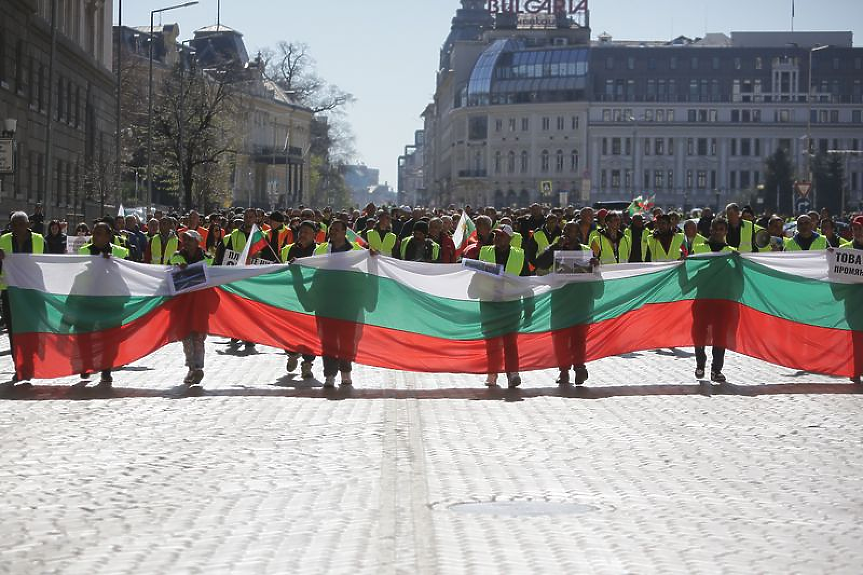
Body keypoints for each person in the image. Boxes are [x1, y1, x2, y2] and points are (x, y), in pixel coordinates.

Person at [534, 221, 596, 386]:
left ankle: (579, 368)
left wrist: (595, 265)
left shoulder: (585, 250)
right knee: (560, 338)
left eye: (571, 231)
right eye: (565, 230)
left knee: (579, 338)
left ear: (578, 234)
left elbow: (594, 271)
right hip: (560, 300)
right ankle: (563, 371)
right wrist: (554, 247)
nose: (567, 233)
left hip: (580, 300)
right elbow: (540, 263)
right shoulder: (556, 247)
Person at [77, 222, 130, 388]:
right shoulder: (83, 251)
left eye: (100, 233)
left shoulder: (120, 252)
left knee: (110, 336)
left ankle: (106, 369)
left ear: (108, 236)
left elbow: (129, 272)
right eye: (95, 233)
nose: (96, 236)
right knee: (84, 334)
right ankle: (86, 362)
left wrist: (112, 263)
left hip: (112, 300)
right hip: (88, 299)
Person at [314, 220, 364, 387]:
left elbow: (365, 270)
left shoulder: (357, 251)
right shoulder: (320, 249)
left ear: (345, 232)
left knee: (347, 339)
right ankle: (329, 374)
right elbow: (312, 269)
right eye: (331, 229)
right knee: (327, 339)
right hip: (326, 301)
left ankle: (345, 371)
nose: (333, 232)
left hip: (349, 302)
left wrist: (373, 256)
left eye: (337, 229)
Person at [478, 224, 527, 388]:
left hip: (511, 303)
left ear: (510, 239)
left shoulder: (519, 255)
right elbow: (473, 271)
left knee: (510, 341)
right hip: (489, 302)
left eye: (501, 236)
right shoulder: (485, 251)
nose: (497, 238)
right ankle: (492, 374)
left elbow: (527, 279)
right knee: (491, 341)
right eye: (496, 235)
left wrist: (529, 305)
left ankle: (513, 373)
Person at [0, 212, 45, 387]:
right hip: (10, 291)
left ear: (28, 225)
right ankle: (19, 366)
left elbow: (49, 262)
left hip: (32, 291)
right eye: (14, 224)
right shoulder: (3, 240)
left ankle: (30, 361)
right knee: (13, 331)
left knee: (31, 328)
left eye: (21, 224)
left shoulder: (39, 240)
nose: (17, 228)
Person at [690, 217, 737, 383]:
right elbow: (692, 270)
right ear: (711, 230)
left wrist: (738, 262)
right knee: (699, 333)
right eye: (715, 229)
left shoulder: (732, 252)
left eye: (721, 229)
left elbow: (737, 276)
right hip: (703, 298)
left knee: (720, 335)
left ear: (726, 231)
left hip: (722, 300)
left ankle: (716, 370)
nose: (718, 232)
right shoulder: (699, 249)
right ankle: (700, 363)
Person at [282, 220, 320, 379]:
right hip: (292, 296)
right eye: (301, 232)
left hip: (313, 296)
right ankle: (291, 354)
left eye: (306, 232)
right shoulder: (288, 250)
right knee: (290, 327)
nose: (302, 235)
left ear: (314, 235)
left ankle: (307, 364)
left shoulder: (320, 252)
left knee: (311, 331)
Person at [170, 230, 208, 387]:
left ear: (198, 242)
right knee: (186, 337)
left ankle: (198, 367)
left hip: (200, 303)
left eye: (190, 240)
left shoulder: (207, 258)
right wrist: (178, 267)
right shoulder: (176, 256)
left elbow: (214, 273)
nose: (186, 243)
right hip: (182, 304)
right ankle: (192, 368)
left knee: (198, 336)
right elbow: (168, 271)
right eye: (184, 240)